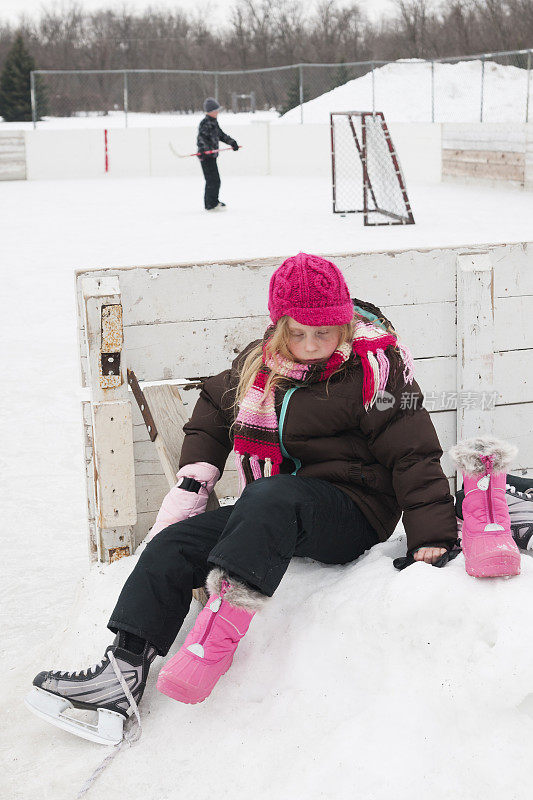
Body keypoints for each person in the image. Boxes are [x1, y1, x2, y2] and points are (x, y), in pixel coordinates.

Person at [26, 252, 461, 744]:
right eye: (298, 333)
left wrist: (433, 537)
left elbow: (414, 453)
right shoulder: (259, 364)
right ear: (279, 327)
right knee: (175, 544)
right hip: (272, 512)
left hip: (353, 510)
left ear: (343, 325)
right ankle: (122, 672)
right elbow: (214, 403)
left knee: (272, 497)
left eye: (324, 333)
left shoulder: (377, 371)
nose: (312, 345)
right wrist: (197, 473)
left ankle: (214, 641)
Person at [197, 97, 239, 211]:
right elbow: (201, 140)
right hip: (205, 157)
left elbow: (221, 135)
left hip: (212, 156)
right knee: (212, 180)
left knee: (216, 180)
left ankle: (214, 201)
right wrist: (205, 151)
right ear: (210, 111)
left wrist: (232, 142)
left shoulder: (214, 122)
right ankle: (210, 204)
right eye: (216, 110)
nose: (217, 112)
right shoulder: (205, 123)